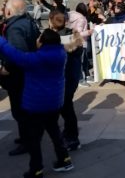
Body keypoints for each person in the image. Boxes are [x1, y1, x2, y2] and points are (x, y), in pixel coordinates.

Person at [0, 28, 74, 178]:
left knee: (34, 139)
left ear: (42, 42)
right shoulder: (60, 54)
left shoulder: (35, 59)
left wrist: (1, 41)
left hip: (36, 105)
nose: (36, 39)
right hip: (54, 102)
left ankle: (36, 169)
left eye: (39, 37)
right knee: (54, 131)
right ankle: (64, 159)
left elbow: (14, 54)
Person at [0, 0, 40, 156]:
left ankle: (27, 141)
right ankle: (28, 137)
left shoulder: (15, 28)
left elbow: (17, 53)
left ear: (9, 11)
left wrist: (6, 68)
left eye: (4, 9)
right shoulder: (28, 22)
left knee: (19, 110)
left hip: (18, 76)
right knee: (25, 109)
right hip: (28, 73)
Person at [49, 10, 83, 151]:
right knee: (67, 108)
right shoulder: (73, 34)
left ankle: (72, 138)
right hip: (72, 78)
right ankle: (70, 135)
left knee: (66, 110)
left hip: (60, 80)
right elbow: (78, 51)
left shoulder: (52, 38)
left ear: (51, 21)